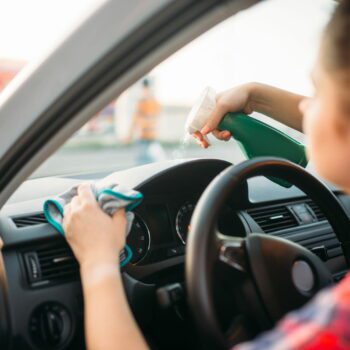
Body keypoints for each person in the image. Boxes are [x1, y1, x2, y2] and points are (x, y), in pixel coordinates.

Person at [62, 1, 350, 349]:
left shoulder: (333, 326)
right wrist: (254, 96)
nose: (304, 106)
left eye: (316, 93)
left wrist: (98, 265)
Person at [125, 78, 165, 165]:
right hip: (143, 138)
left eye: (147, 88)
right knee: (143, 162)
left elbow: (154, 118)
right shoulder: (142, 103)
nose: (146, 91)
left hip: (151, 138)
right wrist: (130, 135)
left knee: (156, 162)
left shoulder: (154, 103)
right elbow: (135, 120)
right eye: (145, 89)